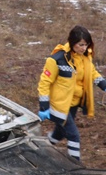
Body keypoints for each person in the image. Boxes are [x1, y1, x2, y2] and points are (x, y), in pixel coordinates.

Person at [38, 25, 106, 161]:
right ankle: (75, 165)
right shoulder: (57, 59)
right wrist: (44, 106)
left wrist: (103, 84)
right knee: (73, 135)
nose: (84, 48)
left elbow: (92, 73)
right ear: (73, 42)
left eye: (86, 45)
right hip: (58, 106)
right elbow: (44, 82)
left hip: (73, 104)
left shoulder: (85, 58)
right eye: (81, 45)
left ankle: (40, 150)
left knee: (60, 133)